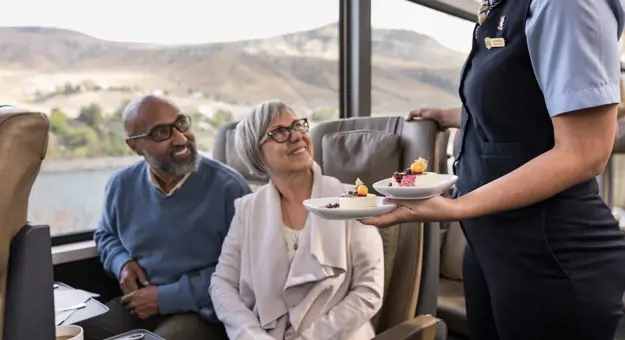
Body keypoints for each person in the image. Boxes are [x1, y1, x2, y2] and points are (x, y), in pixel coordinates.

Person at [361, 1, 625, 339]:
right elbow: (522, 103)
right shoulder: (502, 8)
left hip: (550, 255)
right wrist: (451, 115)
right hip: (491, 245)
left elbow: (585, 152)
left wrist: (456, 207)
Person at [78, 95, 252, 340]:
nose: (181, 138)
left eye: (181, 124)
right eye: (161, 132)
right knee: (71, 334)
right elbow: (106, 235)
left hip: (204, 311)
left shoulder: (229, 188)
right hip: (139, 302)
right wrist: (122, 264)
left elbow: (244, 272)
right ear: (134, 146)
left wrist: (166, 298)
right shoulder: (121, 185)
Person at [209, 100, 384, 340]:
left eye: (299, 126)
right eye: (279, 132)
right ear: (256, 154)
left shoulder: (352, 200)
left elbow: (369, 291)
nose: (296, 136)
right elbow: (222, 284)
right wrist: (251, 335)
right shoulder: (247, 210)